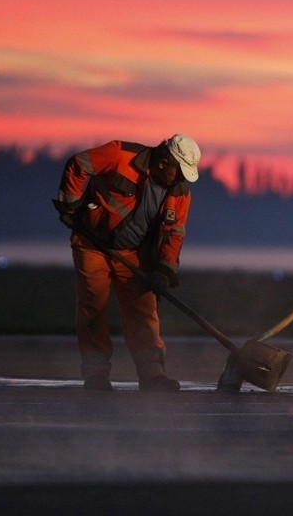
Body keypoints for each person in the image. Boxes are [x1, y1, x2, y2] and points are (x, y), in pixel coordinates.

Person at [54, 134, 201, 392]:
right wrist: (70, 206)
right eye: (178, 172)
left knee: (143, 311)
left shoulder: (179, 193)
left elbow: (173, 233)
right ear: (164, 162)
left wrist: (164, 270)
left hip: (135, 253)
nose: (179, 180)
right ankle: (96, 375)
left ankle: (152, 373)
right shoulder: (119, 155)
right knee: (93, 306)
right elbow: (78, 164)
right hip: (92, 245)